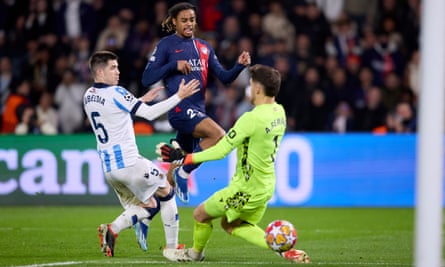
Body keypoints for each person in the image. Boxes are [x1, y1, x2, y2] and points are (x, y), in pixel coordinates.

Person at [156, 64, 310, 263]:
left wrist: (186, 158)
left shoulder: (251, 119)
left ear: (257, 89)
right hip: (266, 186)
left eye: (251, 82)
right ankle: (284, 250)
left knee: (200, 214)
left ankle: (194, 254)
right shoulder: (279, 112)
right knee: (232, 225)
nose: (248, 87)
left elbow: (222, 150)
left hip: (246, 188)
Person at [83, 50, 200, 257]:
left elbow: (113, 112)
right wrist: (179, 96)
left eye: (117, 67)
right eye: (113, 67)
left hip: (110, 170)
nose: (118, 71)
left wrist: (138, 100)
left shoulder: (89, 96)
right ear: (100, 72)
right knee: (167, 191)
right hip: (129, 163)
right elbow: (150, 113)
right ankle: (172, 248)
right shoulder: (117, 92)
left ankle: (113, 229)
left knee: (149, 204)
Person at [141, 2, 251, 204]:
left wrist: (239, 66)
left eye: (192, 19)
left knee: (169, 181)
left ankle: (140, 213)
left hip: (197, 111)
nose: (189, 24)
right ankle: (184, 172)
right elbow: (147, 78)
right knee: (218, 135)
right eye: (184, 20)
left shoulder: (204, 47)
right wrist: (173, 65)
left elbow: (225, 78)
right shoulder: (166, 45)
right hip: (180, 109)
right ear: (174, 22)